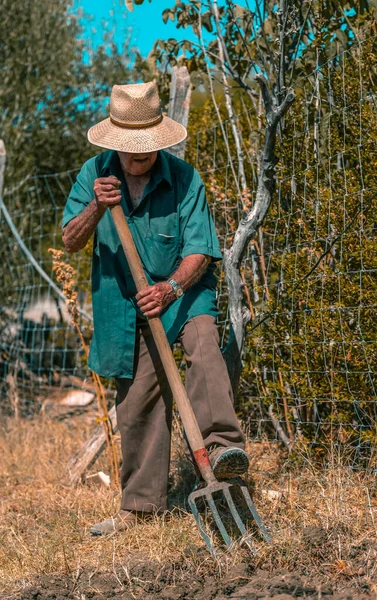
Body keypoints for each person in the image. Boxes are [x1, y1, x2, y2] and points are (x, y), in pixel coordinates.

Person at [62, 81, 248, 535]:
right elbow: (70, 239)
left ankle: (222, 450)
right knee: (138, 401)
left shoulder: (185, 178)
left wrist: (169, 289)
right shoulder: (94, 173)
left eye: (143, 150)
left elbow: (201, 251)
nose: (134, 157)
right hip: (125, 306)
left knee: (204, 346)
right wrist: (96, 208)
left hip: (182, 295)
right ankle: (141, 507)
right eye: (127, 149)